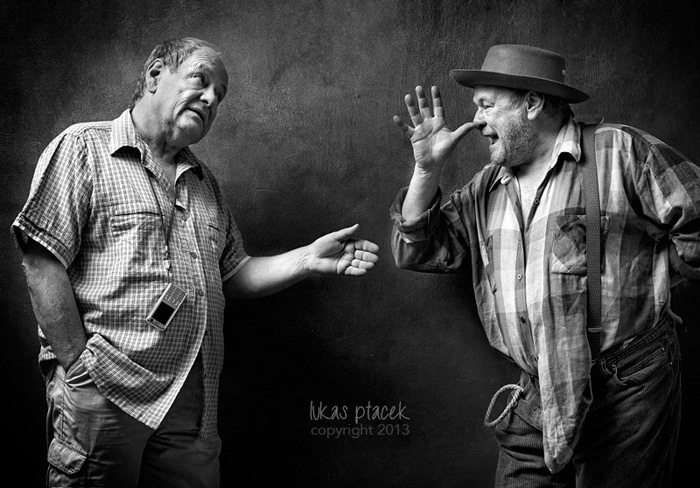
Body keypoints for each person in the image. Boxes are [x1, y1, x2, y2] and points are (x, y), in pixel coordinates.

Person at [12, 37, 379, 488]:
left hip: (192, 403)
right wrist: (78, 367)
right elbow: (41, 260)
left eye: (218, 96)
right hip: (105, 389)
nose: (210, 100)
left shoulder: (205, 184)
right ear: (155, 75)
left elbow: (234, 275)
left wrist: (307, 259)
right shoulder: (84, 147)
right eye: (200, 81)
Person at [390, 44, 700, 487]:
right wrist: (426, 172)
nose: (476, 120)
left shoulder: (618, 150)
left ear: (532, 103)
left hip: (625, 386)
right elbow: (417, 249)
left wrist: (657, 278)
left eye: (486, 105)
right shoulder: (487, 187)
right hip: (536, 393)